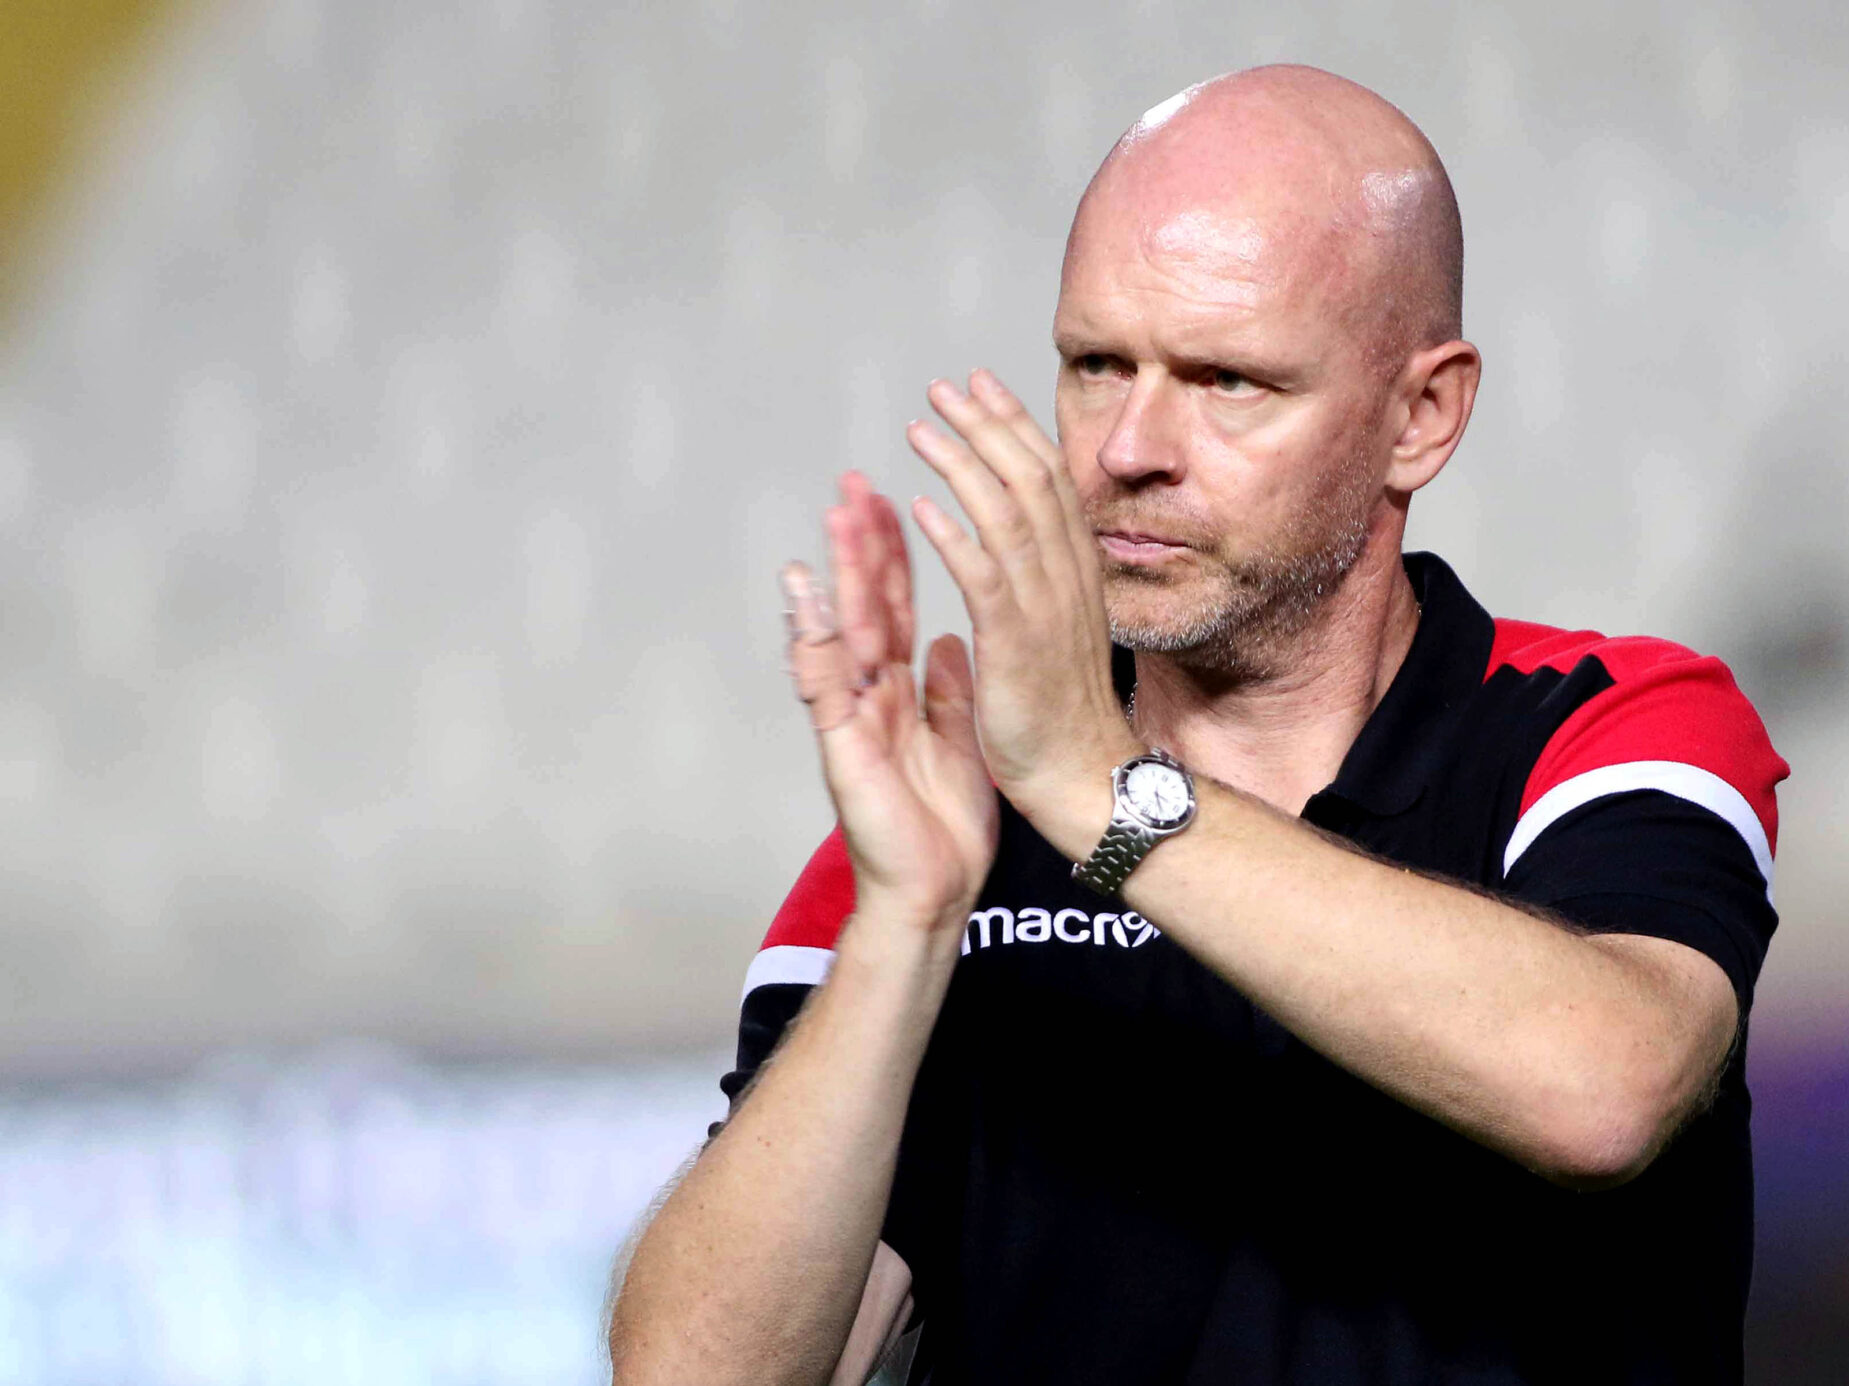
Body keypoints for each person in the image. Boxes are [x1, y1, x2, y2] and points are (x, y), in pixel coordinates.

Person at [609, 64, 1788, 1386]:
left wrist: (1108, 795)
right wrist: (904, 927)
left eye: (1228, 380)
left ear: (1422, 416)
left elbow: (1603, 1086)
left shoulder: (1605, 721)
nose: (1127, 448)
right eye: (1095, 364)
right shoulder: (950, 825)